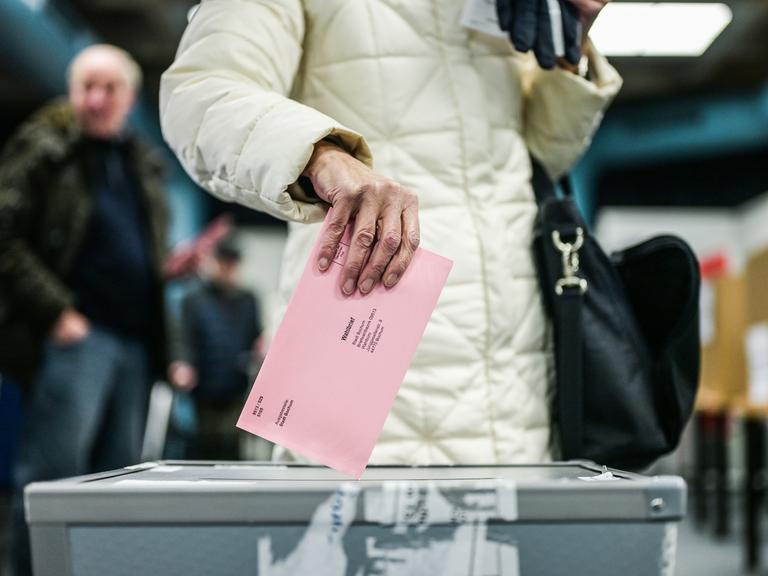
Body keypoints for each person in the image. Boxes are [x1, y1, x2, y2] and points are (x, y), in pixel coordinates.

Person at [160, 1, 622, 467]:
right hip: (368, 362)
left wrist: (571, 40)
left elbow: (539, 154)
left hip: (516, 370)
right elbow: (199, 94)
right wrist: (321, 155)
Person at [0, 44, 169, 575]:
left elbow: (138, 250)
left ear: (130, 96)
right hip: (79, 336)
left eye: (108, 88)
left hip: (135, 342)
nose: (95, 99)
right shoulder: (45, 144)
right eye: (85, 87)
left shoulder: (138, 160)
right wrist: (56, 313)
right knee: (53, 477)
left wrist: (164, 270)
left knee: (117, 484)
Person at [169, 235, 263, 460]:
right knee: (205, 446)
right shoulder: (193, 299)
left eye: (232, 263)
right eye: (223, 262)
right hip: (204, 388)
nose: (227, 269)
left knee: (232, 448)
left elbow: (256, 337)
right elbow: (183, 338)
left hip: (236, 386)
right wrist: (182, 364)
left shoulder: (248, 299)